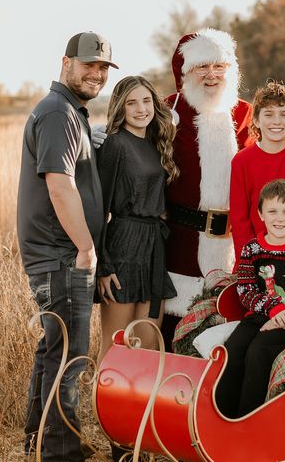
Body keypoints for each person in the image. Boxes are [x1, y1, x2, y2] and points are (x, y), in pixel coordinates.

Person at [17, 31, 118, 462]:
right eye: (88, 65)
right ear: (65, 62)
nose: (96, 74)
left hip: (58, 253)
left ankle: (40, 441)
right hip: (62, 255)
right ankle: (61, 453)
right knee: (70, 356)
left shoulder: (70, 112)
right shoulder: (59, 112)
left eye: (102, 68)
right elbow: (59, 187)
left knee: (52, 348)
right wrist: (86, 248)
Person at [163, 28, 252, 333]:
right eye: (202, 66)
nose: (212, 74)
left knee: (220, 334)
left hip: (233, 247)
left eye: (220, 66)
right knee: (174, 332)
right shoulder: (166, 112)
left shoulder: (248, 114)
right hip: (179, 246)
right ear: (185, 72)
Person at [215, 179, 285, 418]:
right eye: (272, 211)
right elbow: (245, 290)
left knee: (259, 352)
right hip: (258, 315)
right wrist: (272, 309)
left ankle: (249, 419)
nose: (279, 218)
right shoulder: (252, 249)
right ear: (260, 214)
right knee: (232, 350)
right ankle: (222, 415)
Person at [96, 76, 179, 363]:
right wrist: (103, 266)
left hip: (154, 247)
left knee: (148, 346)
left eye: (146, 101)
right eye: (132, 103)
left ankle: (142, 409)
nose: (141, 109)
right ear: (121, 108)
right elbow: (99, 209)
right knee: (115, 347)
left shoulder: (157, 143)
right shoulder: (115, 144)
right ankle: (100, 408)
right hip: (123, 246)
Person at [230, 81, 285, 265]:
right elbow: (240, 220)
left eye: (284, 114)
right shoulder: (242, 161)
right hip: (254, 257)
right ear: (256, 120)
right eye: (268, 114)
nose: (277, 121)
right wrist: (249, 260)